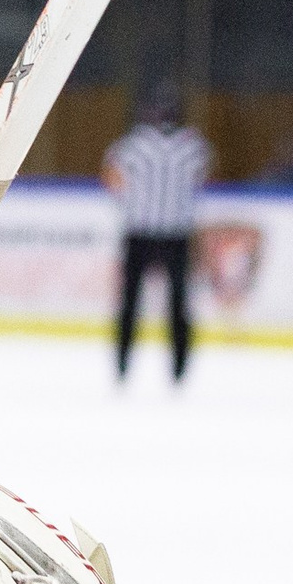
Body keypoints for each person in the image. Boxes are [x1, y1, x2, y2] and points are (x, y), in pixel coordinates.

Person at [101, 88, 213, 383]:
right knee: (178, 302)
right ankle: (179, 368)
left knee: (130, 301)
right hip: (177, 234)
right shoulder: (193, 146)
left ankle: (122, 365)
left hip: (139, 232)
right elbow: (200, 178)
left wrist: (132, 201)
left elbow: (112, 178)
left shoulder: (132, 145)